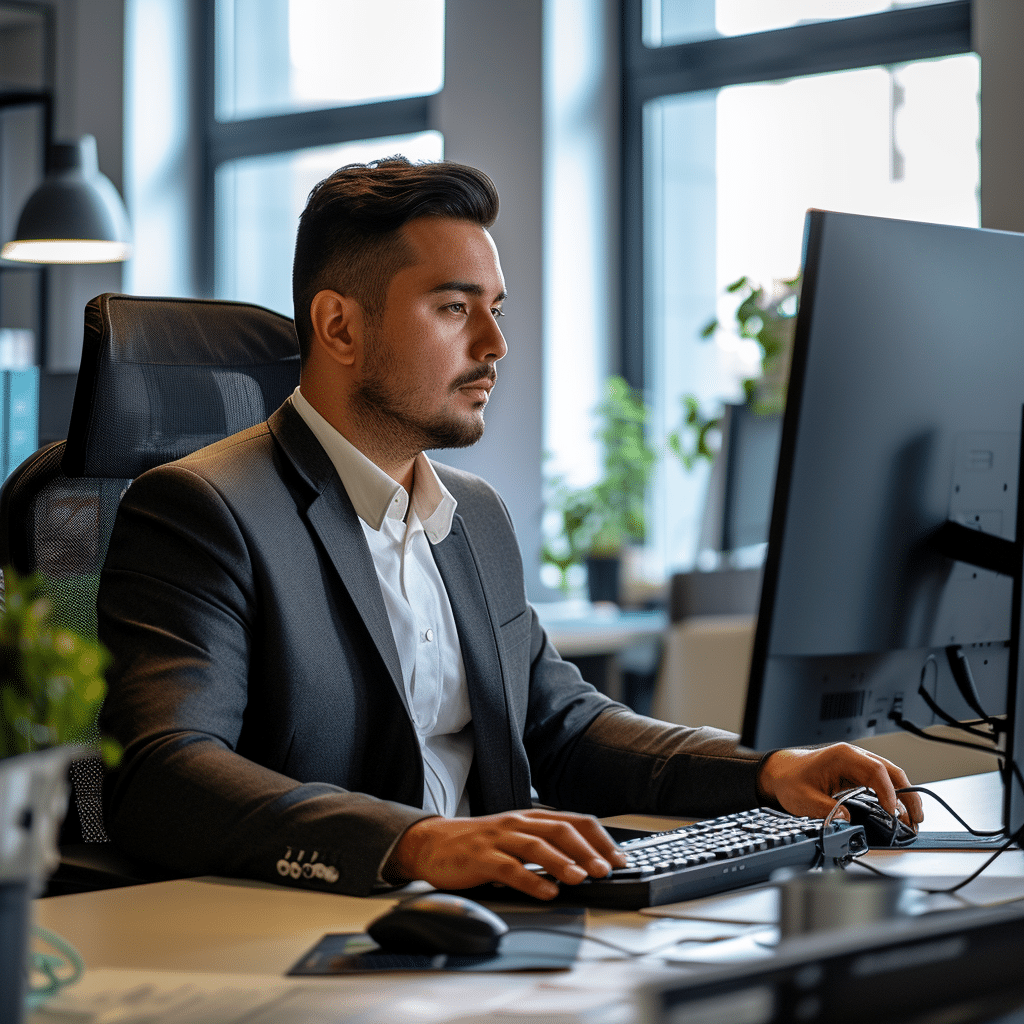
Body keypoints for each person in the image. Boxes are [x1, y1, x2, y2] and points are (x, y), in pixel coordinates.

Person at [97, 157, 923, 900]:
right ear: (340, 326)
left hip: (489, 924)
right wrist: (414, 844)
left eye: (494, 308)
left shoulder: (474, 517)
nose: (495, 343)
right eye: (454, 308)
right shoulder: (202, 510)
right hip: (322, 929)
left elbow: (565, 727)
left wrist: (771, 770)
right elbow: (163, 773)